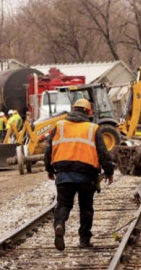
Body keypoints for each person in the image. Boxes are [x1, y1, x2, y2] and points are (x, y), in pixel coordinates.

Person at [44, 98, 114, 251]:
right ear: (88, 112)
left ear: (73, 109)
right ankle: (84, 239)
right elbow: (103, 153)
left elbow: (48, 149)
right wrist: (109, 172)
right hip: (87, 175)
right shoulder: (93, 128)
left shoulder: (59, 126)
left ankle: (60, 224)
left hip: (63, 173)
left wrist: (49, 169)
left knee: (63, 204)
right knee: (86, 207)